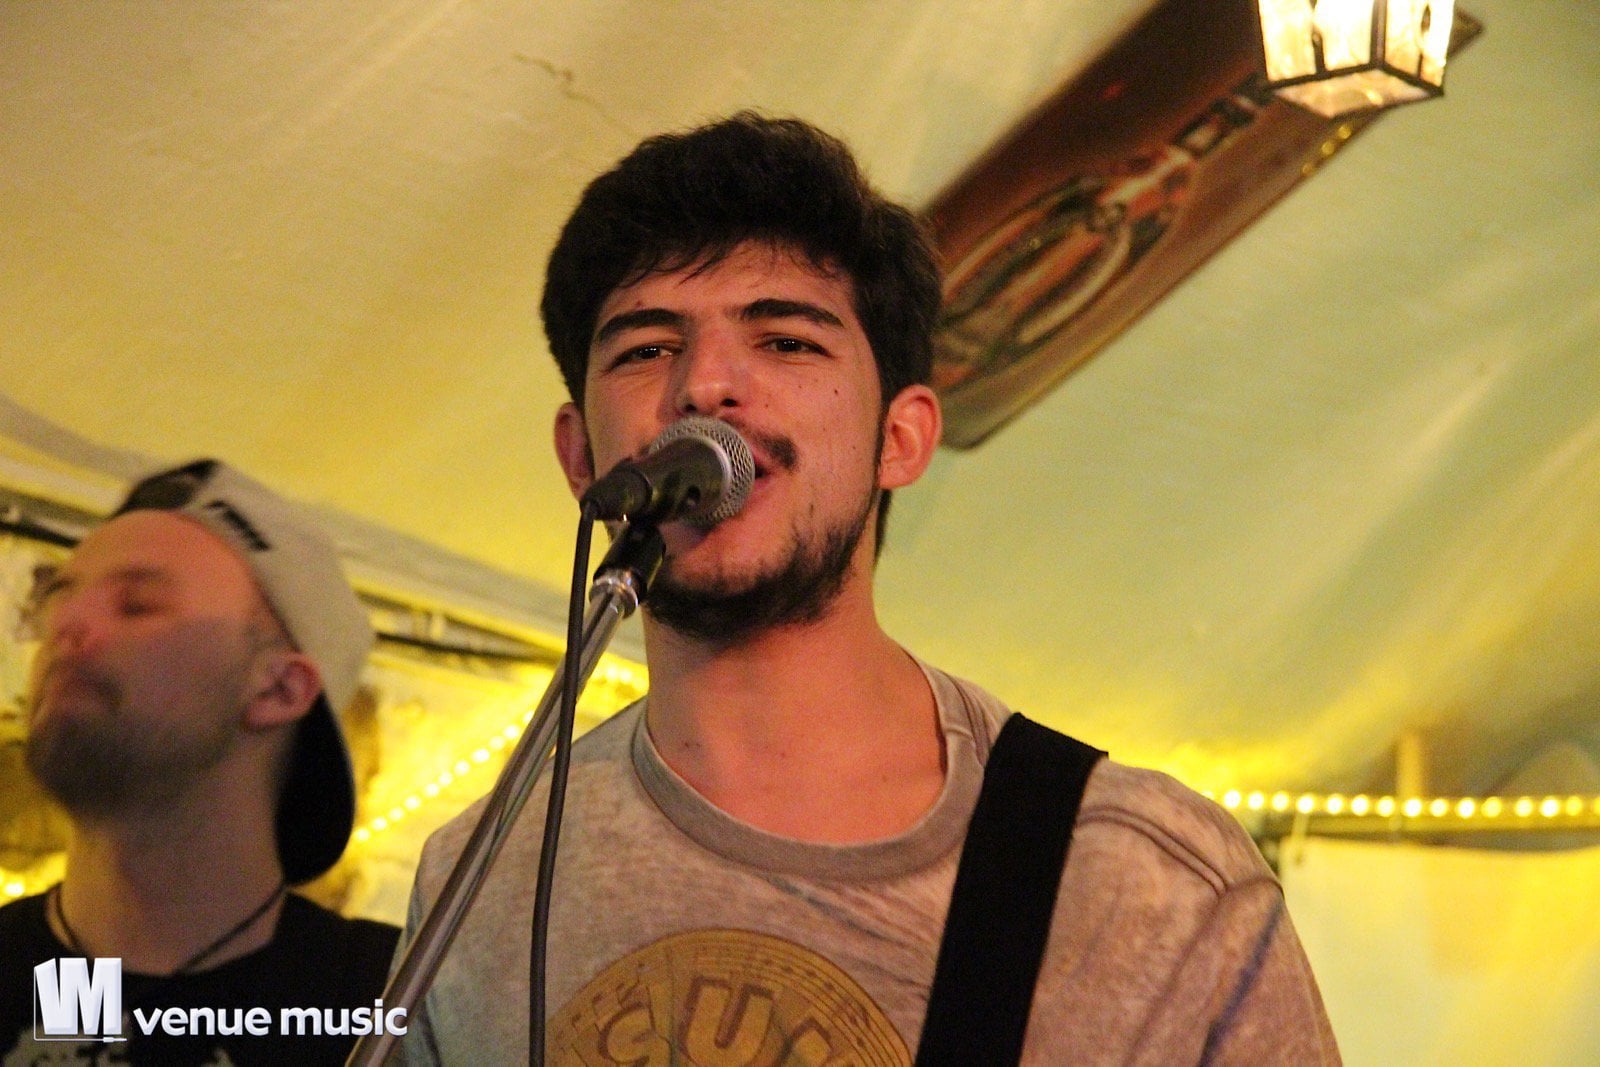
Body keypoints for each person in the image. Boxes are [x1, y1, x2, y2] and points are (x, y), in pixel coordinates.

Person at [397, 113, 1339, 1064]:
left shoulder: (1149, 886)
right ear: (580, 457)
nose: (705, 384)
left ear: (902, 438)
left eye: (786, 341)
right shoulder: (475, 882)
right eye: (645, 349)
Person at [1, 459, 400, 1066]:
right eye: (59, 596)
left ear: (280, 689)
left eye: (137, 605)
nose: (67, 624)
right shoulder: (23, 975)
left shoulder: (399, 1005)